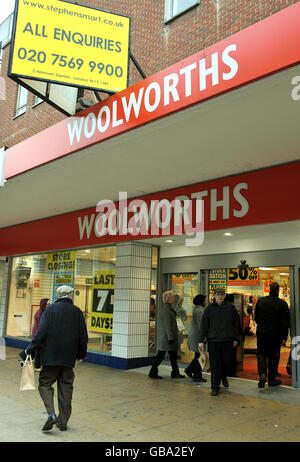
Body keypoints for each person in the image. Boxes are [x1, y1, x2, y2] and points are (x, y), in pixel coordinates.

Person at [25, 285, 88, 432]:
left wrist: (30, 349)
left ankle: (51, 414)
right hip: (68, 359)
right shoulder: (77, 312)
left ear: (57, 295)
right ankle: (63, 422)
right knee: (66, 388)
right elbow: (83, 336)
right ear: (70, 296)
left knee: (44, 383)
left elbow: (40, 333)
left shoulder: (50, 310)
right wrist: (80, 355)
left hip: (50, 358)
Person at [198, 288, 240, 396]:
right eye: (218, 295)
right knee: (215, 364)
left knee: (227, 362)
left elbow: (236, 325)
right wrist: (201, 340)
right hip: (214, 340)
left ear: (224, 296)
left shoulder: (231, 308)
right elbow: (204, 325)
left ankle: (223, 376)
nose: (220, 297)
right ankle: (214, 387)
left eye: (222, 294)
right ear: (214, 296)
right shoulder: (209, 309)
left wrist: (236, 338)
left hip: (227, 340)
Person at [254, 282, 290, 388]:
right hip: (275, 334)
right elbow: (285, 322)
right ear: (278, 291)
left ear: (269, 289)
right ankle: (271, 379)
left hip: (262, 333)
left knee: (261, 354)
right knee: (273, 356)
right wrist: (284, 337)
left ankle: (262, 374)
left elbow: (256, 317)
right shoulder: (282, 304)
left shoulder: (261, 301)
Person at [149, 291, 185, 380]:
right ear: (169, 299)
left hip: (169, 337)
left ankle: (175, 372)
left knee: (172, 356)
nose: (174, 299)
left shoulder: (168, 308)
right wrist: (170, 337)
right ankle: (153, 371)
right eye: (172, 297)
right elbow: (167, 324)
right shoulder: (166, 309)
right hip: (167, 338)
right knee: (161, 355)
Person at [184, 294, 207, 383]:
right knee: (199, 356)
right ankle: (197, 375)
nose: (205, 301)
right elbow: (201, 325)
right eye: (204, 300)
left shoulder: (197, 309)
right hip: (198, 337)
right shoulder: (200, 311)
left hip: (195, 336)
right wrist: (204, 337)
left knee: (198, 355)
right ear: (201, 301)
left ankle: (190, 370)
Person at [224, 293, 245, 377]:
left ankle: (225, 371)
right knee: (232, 356)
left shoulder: (220, 308)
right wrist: (240, 335)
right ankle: (232, 372)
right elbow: (237, 324)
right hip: (231, 336)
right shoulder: (232, 309)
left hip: (222, 336)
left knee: (225, 355)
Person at [31, 298, 49, 371]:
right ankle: (37, 366)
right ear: (44, 304)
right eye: (47, 304)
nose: (49, 305)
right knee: (38, 350)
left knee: (37, 349)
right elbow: (42, 325)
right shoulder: (41, 313)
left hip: (37, 333)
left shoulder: (40, 311)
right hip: (39, 333)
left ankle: (28, 358)